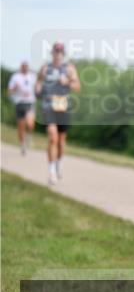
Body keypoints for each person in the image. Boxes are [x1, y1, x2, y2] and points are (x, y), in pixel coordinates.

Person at [35, 42, 80, 185]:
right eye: (56, 51)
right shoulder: (45, 68)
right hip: (48, 106)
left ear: (63, 54)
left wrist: (67, 82)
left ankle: (59, 164)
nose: (58, 54)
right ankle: (52, 172)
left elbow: (77, 86)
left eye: (60, 52)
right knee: (52, 138)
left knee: (61, 141)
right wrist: (37, 89)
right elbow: (38, 82)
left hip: (63, 107)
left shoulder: (69, 68)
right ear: (52, 53)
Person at [8, 61, 37, 155]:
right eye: (23, 66)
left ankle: (29, 136)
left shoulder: (32, 76)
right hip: (19, 103)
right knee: (21, 126)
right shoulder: (15, 77)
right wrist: (15, 88)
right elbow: (10, 90)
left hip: (30, 102)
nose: (25, 68)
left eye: (26, 66)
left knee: (30, 123)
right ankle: (22, 145)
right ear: (21, 67)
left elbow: (38, 87)